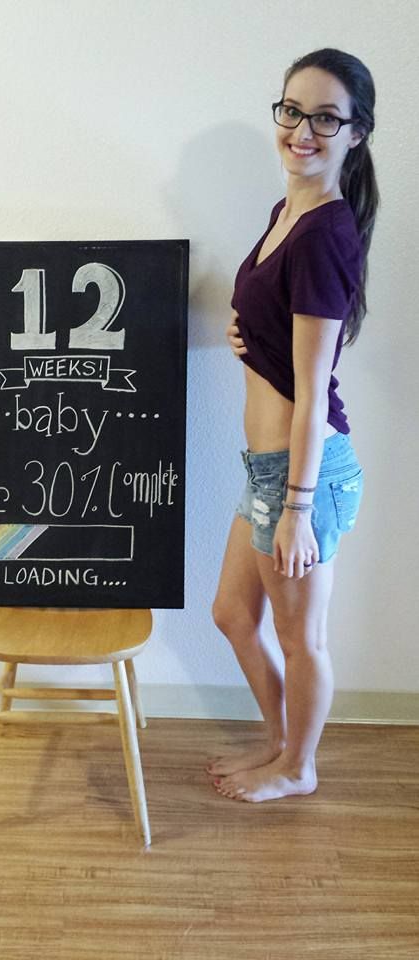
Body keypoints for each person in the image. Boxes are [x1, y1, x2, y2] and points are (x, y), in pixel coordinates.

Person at [206, 48, 379, 803]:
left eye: (325, 117)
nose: (302, 130)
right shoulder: (289, 213)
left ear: (355, 133)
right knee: (232, 614)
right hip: (267, 472)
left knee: (299, 635)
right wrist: (246, 327)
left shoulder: (324, 233)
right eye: (291, 110)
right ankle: (279, 744)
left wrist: (298, 510)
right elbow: (279, 326)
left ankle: (297, 767)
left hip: (304, 476)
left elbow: (314, 391)